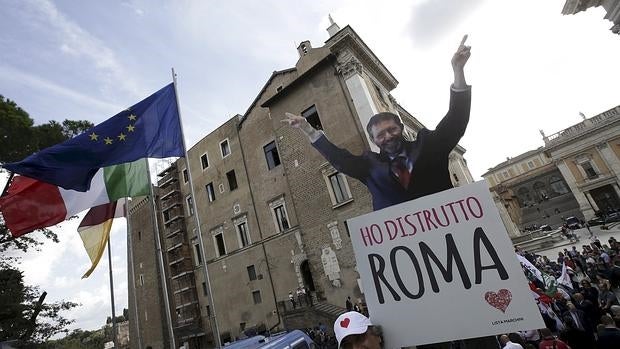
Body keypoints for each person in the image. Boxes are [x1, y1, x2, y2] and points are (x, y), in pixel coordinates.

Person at [282, 35, 471, 211]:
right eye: (381, 134)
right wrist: (308, 129)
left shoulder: (427, 145)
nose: (388, 136)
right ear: (373, 140)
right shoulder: (369, 166)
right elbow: (339, 159)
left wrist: (458, 72)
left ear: (401, 128)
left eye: (391, 130)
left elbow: (456, 120)